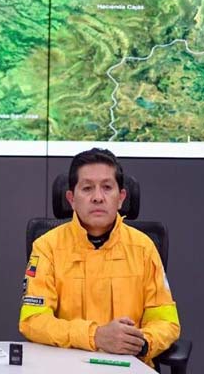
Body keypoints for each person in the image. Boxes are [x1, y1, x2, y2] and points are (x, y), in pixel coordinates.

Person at [19, 148, 180, 365]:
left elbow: (166, 322)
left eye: (107, 187)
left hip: (129, 366)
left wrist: (142, 343)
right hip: (66, 368)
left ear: (121, 197)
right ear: (71, 199)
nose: (97, 197)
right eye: (87, 188)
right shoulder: (47, 247)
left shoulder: (144, 248)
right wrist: (95, 335)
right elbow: (33, 320)